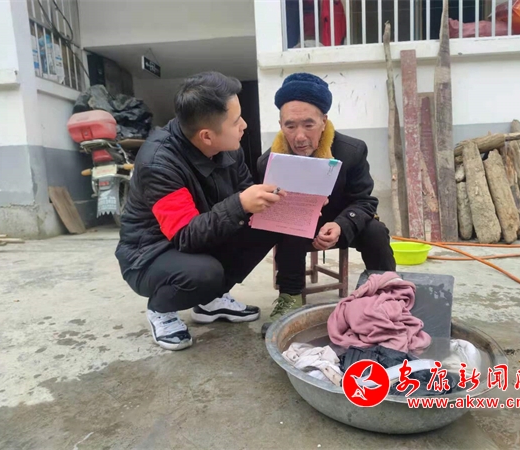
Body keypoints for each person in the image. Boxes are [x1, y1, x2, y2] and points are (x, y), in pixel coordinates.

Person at [115, 71, 285, 351]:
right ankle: (161, 309)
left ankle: (210, 301)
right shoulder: (158, 163)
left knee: (268, 225)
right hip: (150, 254)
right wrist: (240, 204)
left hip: (199, 236)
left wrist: (283, 201)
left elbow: (244, 196)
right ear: (206, 136)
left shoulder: (230, 148)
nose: (244, 125)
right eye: (236, 121)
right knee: (204, 273)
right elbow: (185, 236)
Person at [257, 72, 397, 336]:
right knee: (288, 229)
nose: (299, 136)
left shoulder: (352, 151)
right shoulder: (269, 162)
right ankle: (289, 298)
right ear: (280, 124)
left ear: (324, 121)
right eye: (290, 126)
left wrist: (341, 225)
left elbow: (365, 201)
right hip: (297, 229)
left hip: (340, 223)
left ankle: (385, 294)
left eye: (308, 125)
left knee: (376, 231)